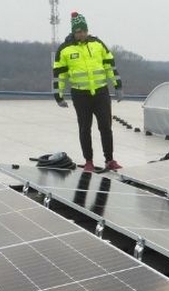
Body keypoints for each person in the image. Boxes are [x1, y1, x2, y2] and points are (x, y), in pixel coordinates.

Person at [53, 11, 122, 173]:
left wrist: (118, 86)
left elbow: (110, 66)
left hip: (101, 93)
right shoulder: (64, 50)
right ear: (73, 32)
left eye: (84, 31)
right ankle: (89, 161)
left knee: (106, 127)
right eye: (78, 31)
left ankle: (109, 160)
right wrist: (58, 96)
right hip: (80, 95)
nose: (82, 34)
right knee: (85, 129)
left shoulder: (98, 44)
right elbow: (59, 75)